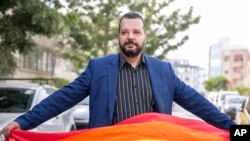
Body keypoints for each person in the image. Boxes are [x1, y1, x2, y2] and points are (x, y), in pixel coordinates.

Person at [0, 11, 235, 139]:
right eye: (125, 32)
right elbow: (61, 99)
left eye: (136, 32)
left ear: (145, 38)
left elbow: (200, 105)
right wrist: (23, 121)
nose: (130, 36)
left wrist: (237, 129)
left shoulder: (164, 71)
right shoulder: (98, 68)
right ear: (118, 37)